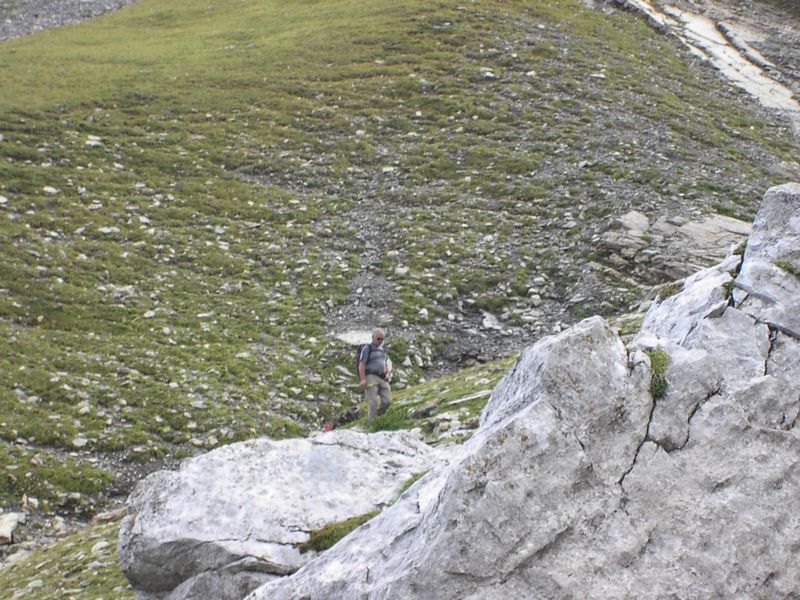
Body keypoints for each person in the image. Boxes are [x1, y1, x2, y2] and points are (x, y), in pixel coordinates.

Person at [358, 328, 392, 425]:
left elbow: (385, 364)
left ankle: (377, 417)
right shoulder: (367, 348)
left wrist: (387, 374)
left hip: (382, 377)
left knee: (387, 400)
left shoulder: (383, 350)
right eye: (378, 339)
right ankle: (371, 424)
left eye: (382, 339)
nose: (380, 341)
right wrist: (363, 379)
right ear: (373, 337)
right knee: (373, 401)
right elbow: (362, 364)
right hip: (371, 376)